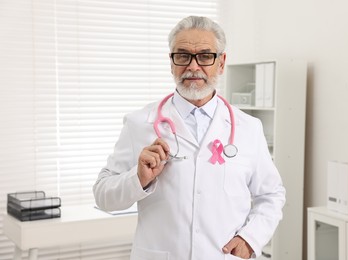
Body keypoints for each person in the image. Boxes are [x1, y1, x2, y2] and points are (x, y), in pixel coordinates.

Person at [93, 16, 285, 260]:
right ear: (171, 62)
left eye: (205, 56)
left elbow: (271, 195)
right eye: (183, 56)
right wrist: (137, 178)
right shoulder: (139, 123)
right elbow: (102, 195)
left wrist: (250, 239)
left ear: (221, 62)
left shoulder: (249, 128)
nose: (193, 67)